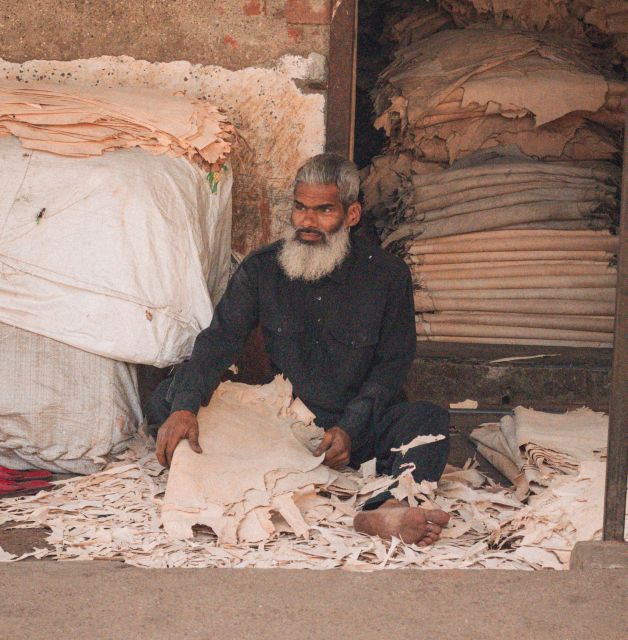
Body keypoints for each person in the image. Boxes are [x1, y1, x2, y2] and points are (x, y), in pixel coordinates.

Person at [151, 153, 450, 545]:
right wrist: (186, 406)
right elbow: (219, 340)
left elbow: (391, 369)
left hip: (358, 428)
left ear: (353, 214)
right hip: (282, 428)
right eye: (300, 208)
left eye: (324, 210)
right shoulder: (263, 269)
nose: (307, 222)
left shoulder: (387, 276)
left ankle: (386, 509)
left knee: (428, 422)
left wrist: (349, 428)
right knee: (167, 399)